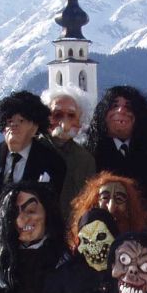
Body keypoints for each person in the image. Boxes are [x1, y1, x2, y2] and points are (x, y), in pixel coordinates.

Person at [0, 91, 66, 230]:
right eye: (9, 121)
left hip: (30, 233)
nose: (13, 126)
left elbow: (49, 207)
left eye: (20, 121)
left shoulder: (53, 162)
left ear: (34, 127)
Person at [84, 85, 147, 206]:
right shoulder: (88, 153)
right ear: (103, 114)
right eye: (114, 106)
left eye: (128, 107)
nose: (121, 110)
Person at [41, 85, 96, 219]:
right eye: (57, 115)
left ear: (80, 121)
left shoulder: (85, 159)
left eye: (71, 115)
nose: (64, 121)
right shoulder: (32, 149)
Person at [66, 171, 147, 244]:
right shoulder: (82, 245)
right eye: (104, 198)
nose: (111, 208)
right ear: (94, 204)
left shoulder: (139, 246)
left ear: (128, 209)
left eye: (119, 199)